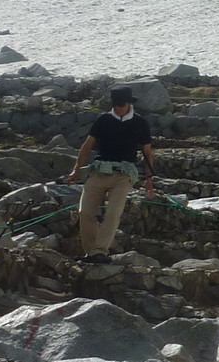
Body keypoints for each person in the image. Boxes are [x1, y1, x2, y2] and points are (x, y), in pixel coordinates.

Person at [67, 85, 157, 261]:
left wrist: (149, 179)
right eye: (115, 105)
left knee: (113, 213)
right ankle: (91, 252)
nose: (118, 108)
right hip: (100, 170)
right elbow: (87, 145)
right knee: (85, 211)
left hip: (124, 174)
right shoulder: (103, 120)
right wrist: (76, 168)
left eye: (121, 105)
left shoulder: (140, 123)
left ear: (129, 103)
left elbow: (147, 153)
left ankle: (100, 251)